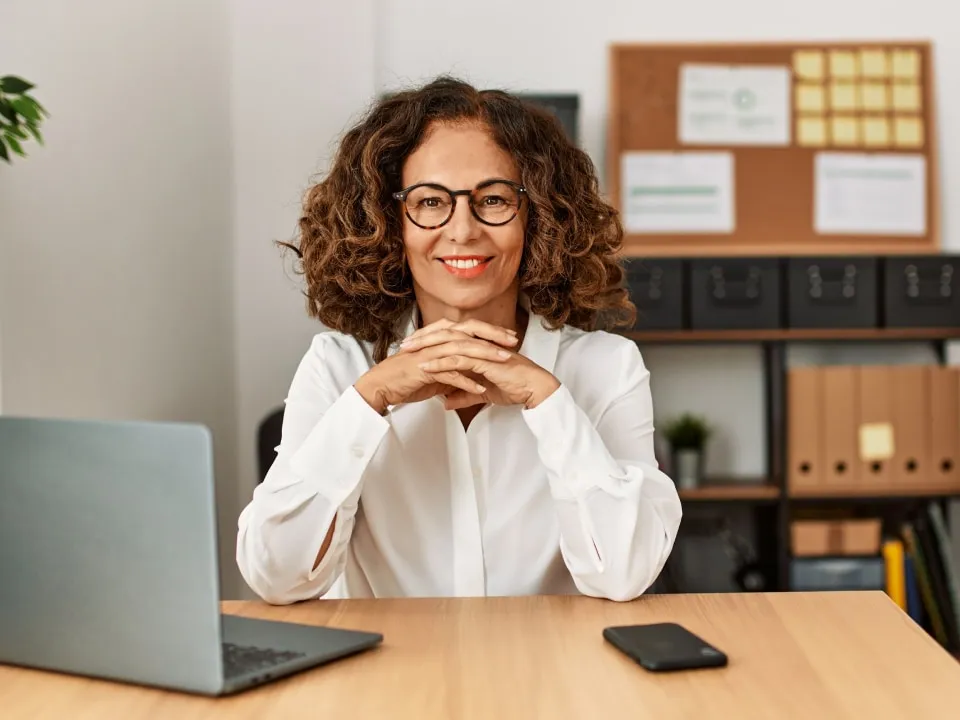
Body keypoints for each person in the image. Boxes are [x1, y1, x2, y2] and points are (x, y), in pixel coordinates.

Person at [236, 76, 682, 604]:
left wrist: (547, 401)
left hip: (552, 675)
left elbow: (625, 575)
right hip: (388, 677)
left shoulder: (608, 368)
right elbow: (277, 578)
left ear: (538, 217)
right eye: (429, 203)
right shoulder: (338, 366)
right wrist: (371, 399)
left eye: (493, 199)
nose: (464, 230)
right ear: (387, 220)